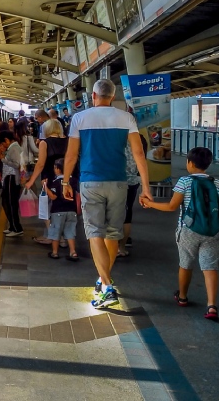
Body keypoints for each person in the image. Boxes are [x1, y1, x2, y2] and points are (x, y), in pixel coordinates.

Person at [63, 79, 151, 309]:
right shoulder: (126, 118)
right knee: (113, 234)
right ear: (112, 97)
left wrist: (65, 181)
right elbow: (139, 153)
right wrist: (147, 187)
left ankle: (107, 285)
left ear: (93, 96)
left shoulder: (80, 118)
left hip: (90, 182)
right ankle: (104, 282)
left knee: (94, 234)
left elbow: (71, 156)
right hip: (119, 183)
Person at [141, 147, 219, 320]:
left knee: (185, 263)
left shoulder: (184, 181)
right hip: (213, 231)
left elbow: (172, 206)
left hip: (188, 230)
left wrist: (150, 203)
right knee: (210, 267)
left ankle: (183, 296)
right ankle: (212, 305)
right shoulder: (217, 183)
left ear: (190, 163)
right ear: (208, 164)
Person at [26, 119, 68, 245]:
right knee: (63, 208)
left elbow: (40, 164)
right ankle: (64, 238)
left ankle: (53, 236)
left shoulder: (45, 143)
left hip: (48, 179)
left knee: (46, 208)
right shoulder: (68, 141)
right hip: (66, 179)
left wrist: (31, 180)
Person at [43, 159, 79, 261]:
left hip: (58, 211)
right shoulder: (74, 181)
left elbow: (53, 197)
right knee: (70, 231)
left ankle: (55, 252)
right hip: (72, 211)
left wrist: (45, 187)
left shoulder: (56, 182)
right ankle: (73, 252)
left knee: (55, 231)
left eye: (55, 167)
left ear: (58, 169)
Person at [119, 134, 149, 257]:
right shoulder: (140, 139)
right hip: (133, 180)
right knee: (127, 212)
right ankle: (122, 247)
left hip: (116, 180)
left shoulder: (116, 137)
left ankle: (113, 245)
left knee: (112, 212)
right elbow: (142, 158)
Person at [0, 131, 24, 237]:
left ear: (7, 140)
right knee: (7, 202)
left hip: (12, 178)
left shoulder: (14, 148)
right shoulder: (14, 147)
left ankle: (17, 228)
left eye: (3, 143)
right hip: (9, 178)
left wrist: (3, 160)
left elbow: (17, 164)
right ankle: (13, 226)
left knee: (11, 204)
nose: (3, 146)